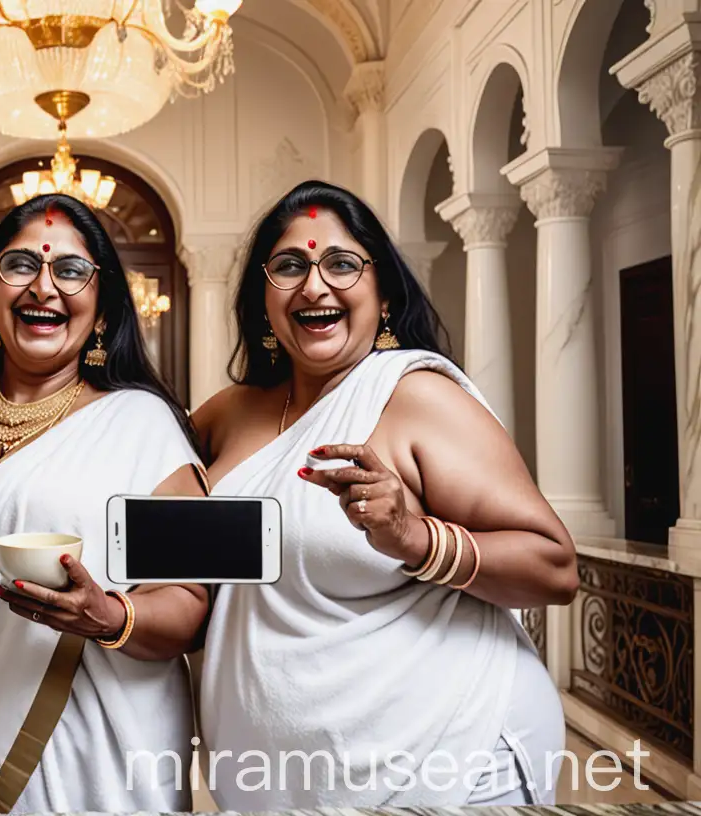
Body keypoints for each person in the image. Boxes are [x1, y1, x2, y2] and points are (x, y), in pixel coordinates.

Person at [192, 180, 577, 809]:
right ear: (264, 298)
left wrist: (414, 536)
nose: (315, 285)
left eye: (341, 263)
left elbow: (555, 568)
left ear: (384, 294)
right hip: (284, 782)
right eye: (289, 266)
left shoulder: (415, 396)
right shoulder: (228, 415)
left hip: (449, 754)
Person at [0, 193, 209, 813]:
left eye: (71, 271)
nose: (44, 287)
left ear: (101, 311)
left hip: (101, 746)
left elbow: (189, 600)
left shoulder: (142, 425)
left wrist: (110, 616)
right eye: (20, 266)